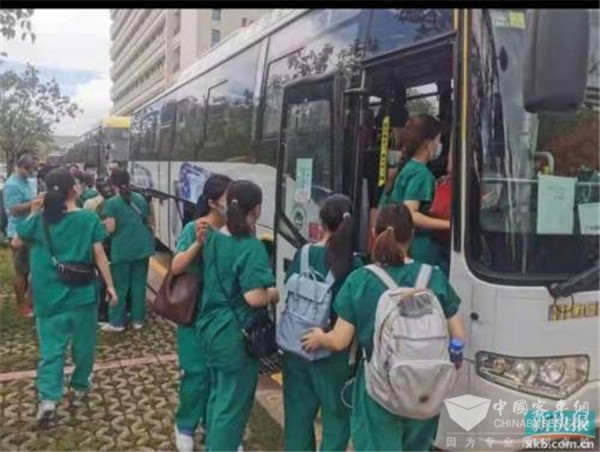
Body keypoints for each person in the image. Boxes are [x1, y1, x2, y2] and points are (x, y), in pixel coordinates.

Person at [302, 203, 465, 451]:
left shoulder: (361, 280)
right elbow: (458, 335)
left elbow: (339, 340)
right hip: (425, 389)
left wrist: (319, 337)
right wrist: (453, 358)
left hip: (378, 388)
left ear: (374, 234)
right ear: (411, 235)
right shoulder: (434, 276)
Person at [11, 168, 116, 427]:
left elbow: (16, 243)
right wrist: (110, 286)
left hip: (47, 298)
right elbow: (99, 255)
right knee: (84, 346)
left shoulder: (39, 220)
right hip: (82, 296)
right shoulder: (88, 219)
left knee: (51, 350)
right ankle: (80, 385)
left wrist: (34, 212)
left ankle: (48, 398)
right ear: (73, 189)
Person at [198, 180, 279, 451]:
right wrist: (274, 294)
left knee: (218, 394)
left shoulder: (213, 238)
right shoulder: (251, 247)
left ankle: (213, 443)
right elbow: (254, 297)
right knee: (232, 407)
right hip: (235, 336)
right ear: (256, 210)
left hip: (210, 328)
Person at [282, 194, 363, 452]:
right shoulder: (354, 264)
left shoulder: (303, 254)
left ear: (321, 221)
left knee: (297, 421)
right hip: (334, 356)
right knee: (336, 422)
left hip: (297, 346)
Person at [171, 174, 232, 451]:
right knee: (196, 373)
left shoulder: (237, 230)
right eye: (228, 198)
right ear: (213, 202)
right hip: (194, 314)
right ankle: (185, 425)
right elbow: (176, 267)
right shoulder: (195, 228)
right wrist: (198, 243)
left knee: (219, 374)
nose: (233, 204)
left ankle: (213, 425)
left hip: (223, 317)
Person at [379, 114, 451, 274]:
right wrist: (450, 225)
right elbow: (410, 214)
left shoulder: (405, 169)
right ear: (428, 144)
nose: (439, 145)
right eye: (438, 140)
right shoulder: (420, 174)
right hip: (419, 250)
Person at [101, 168, 154, 332]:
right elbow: (149, 220)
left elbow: (110, 228)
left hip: (122, 249)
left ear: (112, 183)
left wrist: (101, 226)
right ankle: (138, 320)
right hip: (143, 247)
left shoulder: (112, 203)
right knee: (139, 285)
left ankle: (117, 322)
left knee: (119, 286)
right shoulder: (140, 198)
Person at [3, 154, 37, 318]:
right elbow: (13, 209)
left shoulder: (26, 182)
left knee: (32, 268)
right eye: (28, 170)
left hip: (30, 229)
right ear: (20, 167)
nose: (31, 173)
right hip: (18, 232)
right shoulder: (12, 184)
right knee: (21, 270)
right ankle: (21, 304)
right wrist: (34, 204)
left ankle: (30, 301)